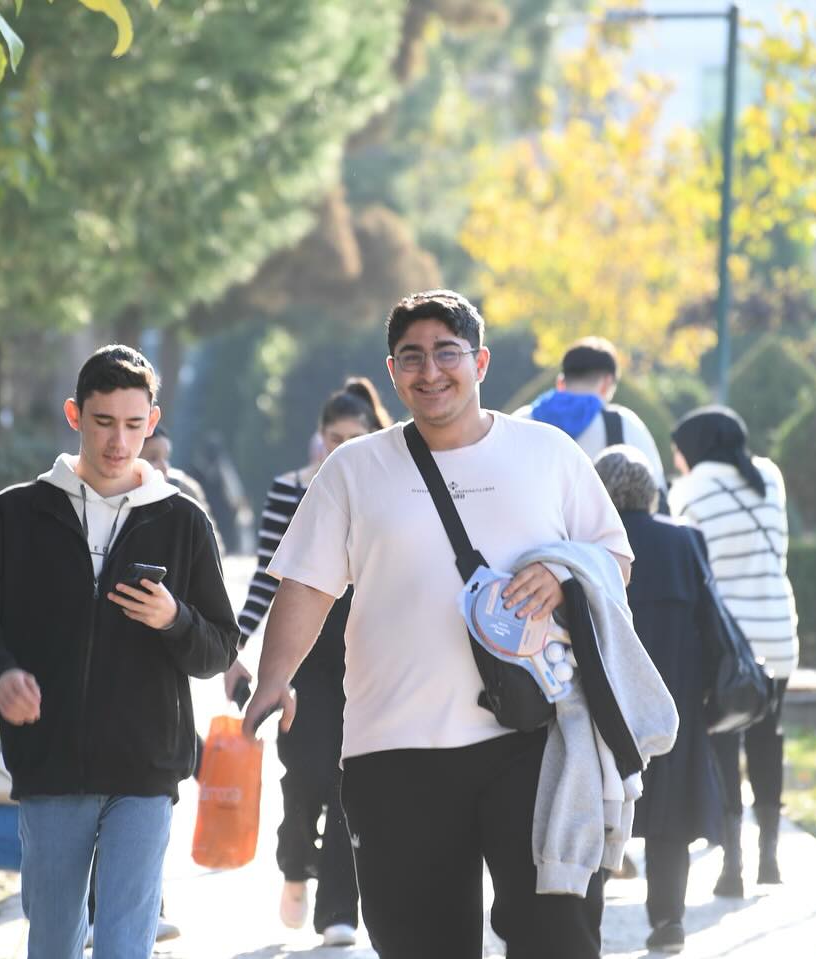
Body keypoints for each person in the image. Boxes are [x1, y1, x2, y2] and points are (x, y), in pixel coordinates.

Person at [242, 290, 643, 959]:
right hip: (395, 749)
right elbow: (306, 585)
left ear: (479, 360)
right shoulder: (353, 468)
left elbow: (615, 556)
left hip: (534, 738)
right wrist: (274, 677)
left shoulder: (547, 453)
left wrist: (566, 574)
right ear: (392, 370)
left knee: (559, 940)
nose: (430, 370)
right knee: (421, 944)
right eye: (412, 356)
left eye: (446, 352)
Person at [0, 345, 239, 959]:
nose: (118, 441)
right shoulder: (15, 514)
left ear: (152, 423)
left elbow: (216, 649)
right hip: (49, 765)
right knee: (52, 941)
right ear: (75, 415)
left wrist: (174, 618)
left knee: (125, 941)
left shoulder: (182, 521)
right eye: (104, 422)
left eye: (134, 425)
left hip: (147, 769)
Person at [226, 377, 391, 948]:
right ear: (318, 437)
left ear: (373, 437)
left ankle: (338, 907)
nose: (342, 447)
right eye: (333, 436)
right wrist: (236, 648)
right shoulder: (288, 489)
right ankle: (295, 862)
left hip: (368, 656)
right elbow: (268, 582)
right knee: (306, 775)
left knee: (353, 783)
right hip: (304, 658)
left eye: (355, 437)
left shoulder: (388, 488)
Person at [594, 446, 723, 954]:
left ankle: (584, 920)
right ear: (652, 493)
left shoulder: (586, 544)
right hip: (674, 701)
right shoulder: (683, 542)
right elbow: (711, 628)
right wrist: (706, 696)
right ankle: (668, 921)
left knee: (599, 810)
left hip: (604, 701)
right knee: (669, 819)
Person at [667, 405, 798, 897]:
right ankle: (770, 857)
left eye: (679, 449)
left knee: (723, 746)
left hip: (728, 646)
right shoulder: (769, 477)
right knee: (769, 738)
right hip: (779, 635)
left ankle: (733, 866)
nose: (677, 459)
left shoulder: (690, 492)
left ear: (697, 448)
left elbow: (694, 568)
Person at [513, 336, 667, 492]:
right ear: (607, 383)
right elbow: (657, 489)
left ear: (560, 382)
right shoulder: (624, 424)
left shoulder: (520, 421)